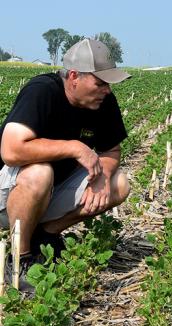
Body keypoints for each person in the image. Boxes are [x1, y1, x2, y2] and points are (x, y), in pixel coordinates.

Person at [0, 38, 131, 291]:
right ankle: (20, 256)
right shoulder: (42, 91)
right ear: (74, 76)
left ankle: (45, 234)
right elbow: (10, 150)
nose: (107, 90)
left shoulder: (103, 102)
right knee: (39, 172)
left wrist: (102, 177)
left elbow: (111, 150)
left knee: (119, 183)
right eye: (101, 83)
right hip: (6, 194)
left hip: (47, 194)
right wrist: (74, 147)